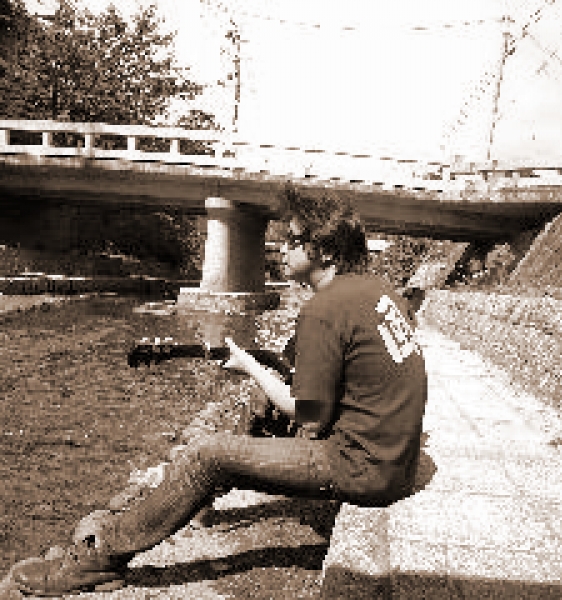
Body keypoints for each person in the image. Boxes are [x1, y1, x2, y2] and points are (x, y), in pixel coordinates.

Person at [7, 185, 428, 597]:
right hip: (394, 461)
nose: (281, 248)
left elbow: (310, 415)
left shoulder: (326, 307)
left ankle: (100, 557)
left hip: (362, 468)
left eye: (294, 240)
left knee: (206, 454)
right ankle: (195, 499)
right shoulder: (376, 291)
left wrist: (248, 365)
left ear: (328, 251)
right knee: (261, 400)